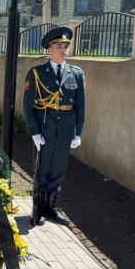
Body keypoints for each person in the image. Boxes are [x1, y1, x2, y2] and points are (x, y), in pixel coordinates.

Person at [23, 27, 85, 227]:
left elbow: (81, 105)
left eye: (66, 46)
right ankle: (39, 210)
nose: (64, 49)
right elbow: (28, 105)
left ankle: (52, 208)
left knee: (58, 169)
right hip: (45, 127)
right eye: (59, 46)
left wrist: (78, 132)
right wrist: (34, 132)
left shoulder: (76, 73)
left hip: (66, 129)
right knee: (43, 169)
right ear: (49, 49)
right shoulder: (37, 73)